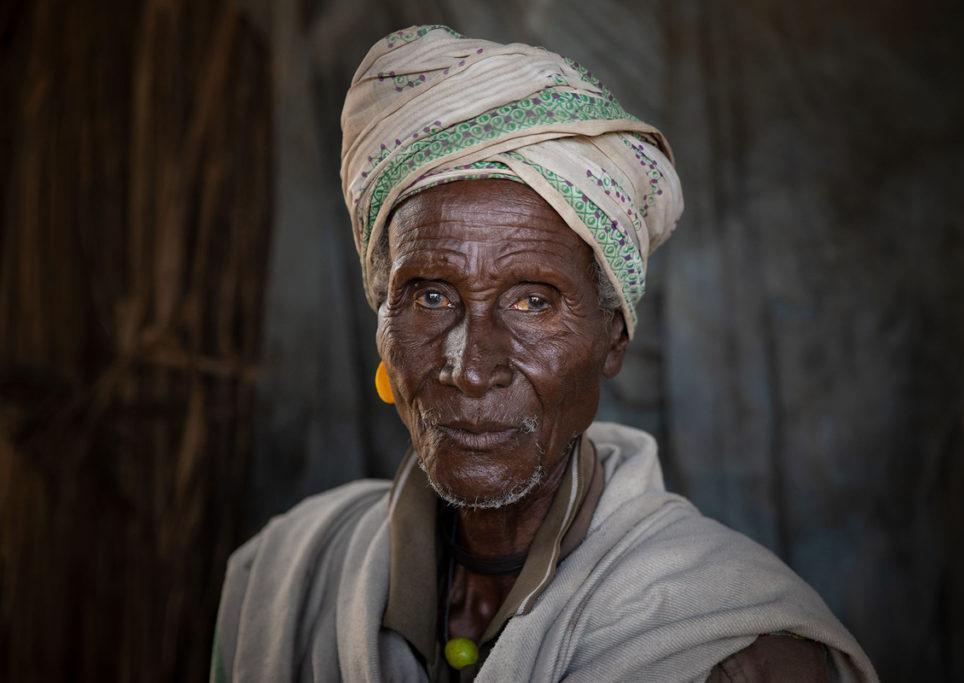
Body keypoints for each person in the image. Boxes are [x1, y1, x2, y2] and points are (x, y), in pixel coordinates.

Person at [211, 25, 877, 682]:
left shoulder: (734, 651)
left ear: (612, 337)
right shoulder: (284, 579)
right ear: (382, 317)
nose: (470, 367)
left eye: (532, 302)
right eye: (430, 297)